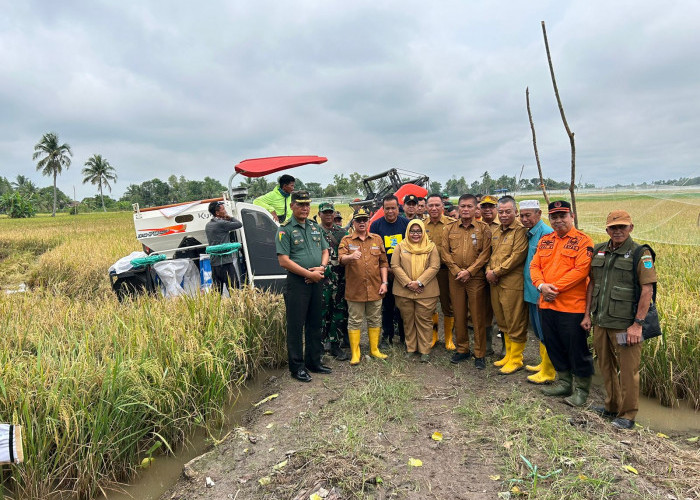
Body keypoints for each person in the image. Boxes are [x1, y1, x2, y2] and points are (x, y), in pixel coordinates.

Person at [581, 210, 657, 429]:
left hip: (626, 326)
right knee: (605, 366)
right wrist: (588, 315)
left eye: (622, 226)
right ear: (607, 230)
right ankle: (612, 406)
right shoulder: (598, 251)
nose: (618, 231)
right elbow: (592, 285)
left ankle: (628, 414)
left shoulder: (640, 254)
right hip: (601, 321)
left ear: (630, 228)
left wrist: (637, 325)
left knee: (628, 370)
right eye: (613, 227)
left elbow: (647, 290)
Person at [530, 200, 594, 406]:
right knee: (553, 344)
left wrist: (553, 288)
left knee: (576, 349)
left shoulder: (584, 241)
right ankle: (564, 382)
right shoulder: (545, 240)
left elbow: (581, 271)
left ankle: (582, 389)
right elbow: (535, 265)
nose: (558, 221)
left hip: (572, 307)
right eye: (554, 217)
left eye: (562, 216)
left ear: (572, 216)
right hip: (547, 304)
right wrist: (541, 286)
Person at [276, 190, 331, 383]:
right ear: (292, 206)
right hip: (298, 284)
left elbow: (325, 250)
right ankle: (297, 367)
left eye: (307, 204)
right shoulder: (285, 230)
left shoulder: (315, 227)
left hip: (316, 281)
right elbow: (284, 261)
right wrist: (310, 274)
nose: (305, 208)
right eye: (300, 204)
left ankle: (314, 361)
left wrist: (322, 268)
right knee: (296, 326)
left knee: (315, 323)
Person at [440, 194, 492, 369]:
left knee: (477, 316)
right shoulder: (449, 228)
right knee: (459, 313)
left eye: (469, 206)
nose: (465, 209)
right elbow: (444, 252)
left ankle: (479, 353)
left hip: (475, 277)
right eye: (462, 206)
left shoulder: (483, 229)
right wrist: (456, 270)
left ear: (476, 208)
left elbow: (485, 253)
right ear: (459, 208)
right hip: (455, 277)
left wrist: (469, 271)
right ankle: (462, 349)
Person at [338, 208, 390, 364]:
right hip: (355, 290)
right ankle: (355, 352)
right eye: (358, 220)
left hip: (375, 287)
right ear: (353, 223)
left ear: (368, 222)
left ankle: (374, 349)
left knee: (375, 319)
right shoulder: (347, 240)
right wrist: (350, 257)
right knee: (355, 320)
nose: (362, 223)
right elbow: (340, 259)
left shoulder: (377, 239)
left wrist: (385, 282)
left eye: (364, 220)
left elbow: (383, 263)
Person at [486, 196, 529, 374]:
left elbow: (516, 257)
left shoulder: (520, 231)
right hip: (495, 282)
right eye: (501, 211)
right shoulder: (496, 230)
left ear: (515, 212)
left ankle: (517, 359)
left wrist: (495, 272)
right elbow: (491, 254)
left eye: (508, 211)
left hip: (512, 283)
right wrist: (489, 270)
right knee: (502, 319)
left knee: (514, 320)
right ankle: (508, 355)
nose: (504, 215)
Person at [391, 219, 441, 362]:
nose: (415, 234)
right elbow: (395, 265)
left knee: (424, 320)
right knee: (408, 320)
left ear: (423, 232)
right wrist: (408, 283)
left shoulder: (431, 247)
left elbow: (434, 267)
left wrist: (419, 283)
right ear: (408, 231)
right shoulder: (400, 246)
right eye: (412, 231)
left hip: (426, 291)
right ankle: (411, 348)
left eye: (418, 231)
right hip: (403, 291)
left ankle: (425, 350)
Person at [519, 200, 556, 384]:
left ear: (539, 214)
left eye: (528, 215)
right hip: (532, 291)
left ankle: (549, 370)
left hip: (541, 291)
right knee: (539, 331)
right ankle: (544, 363)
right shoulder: (530, 233)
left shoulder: (547, 234)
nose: (525, 219)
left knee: (545, 330)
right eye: (522, 216)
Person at [370, 195, 409, 346]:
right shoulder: (376, 226)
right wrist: (387, 270)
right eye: (387, 208)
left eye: (393, 208)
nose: (390, 211)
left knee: (403, 307)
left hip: (403, 273)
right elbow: (376, 251)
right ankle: (387, 336)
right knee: (386, 306)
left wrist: (398, 270)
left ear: (398, 208)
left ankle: (405, 337)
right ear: (383, 209)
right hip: (384, 272)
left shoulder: (406, 224)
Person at [423, 193, 457, 350]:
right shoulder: (422, 225)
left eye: (437, 205)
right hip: (428, 271)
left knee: (447, 304)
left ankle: (449, 339)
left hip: (445, 271)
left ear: (443, 207)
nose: (434, 208)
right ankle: (434, 337)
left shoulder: (452, 224)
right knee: (430, 305)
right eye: (431, 205)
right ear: (426, 207)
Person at [318, 202, 349, 361]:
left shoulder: (342, 233)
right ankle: (321, 346)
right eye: (325, 213)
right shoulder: (314, 232)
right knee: (322, 312)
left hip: (339, 279)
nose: (328, 215)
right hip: (322, 279)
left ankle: (335, 344)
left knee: (338, 311)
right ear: (319, 215)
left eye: (330, 212)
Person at [205, 200, 243, 293]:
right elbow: (239, 224)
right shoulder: (221, 224)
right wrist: (229, 217)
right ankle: (236, 307)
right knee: (235, 291)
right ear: (217, 213)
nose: (225, 211)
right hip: (225, 263)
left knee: (217, 293)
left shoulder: (208, 225)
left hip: (215, 263)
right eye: (223, 209)